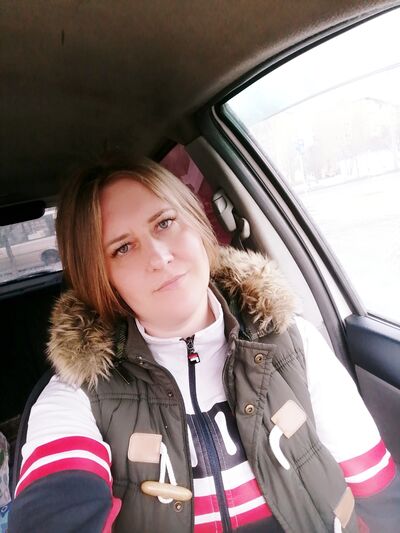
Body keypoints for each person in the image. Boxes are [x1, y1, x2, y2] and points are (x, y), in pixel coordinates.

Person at [8, 153, 399, 533]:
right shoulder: (77, 393)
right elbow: (54, 506)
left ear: (196, 222)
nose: (159, 256)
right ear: (101, 277)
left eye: (164, 223)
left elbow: (377, 490)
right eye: (122, 247)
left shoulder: (294, 342)